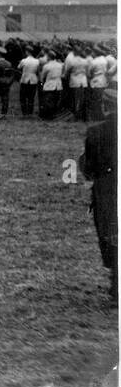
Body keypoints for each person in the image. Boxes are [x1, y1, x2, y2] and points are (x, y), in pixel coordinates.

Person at [80, 89, 118, 302]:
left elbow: (89, 165)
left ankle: (115, 281)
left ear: (105, 106)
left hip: (106, 187)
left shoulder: (95, 132)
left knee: (109, 230)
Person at [39, 51, 64, 120]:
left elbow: (42, 78)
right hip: (58, 85)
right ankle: (54, 115)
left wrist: (41, 85)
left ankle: (48, 116)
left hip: (49, 85)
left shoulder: (46, 66)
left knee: (48, 102)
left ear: (49, 57)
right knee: (55, 101)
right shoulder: (60, 65)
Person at [17, 49, 40, 118]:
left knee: (23, 98)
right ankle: (30, 112)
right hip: (33, 80)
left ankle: (24, 113)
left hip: (24, 80)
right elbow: (38, 71)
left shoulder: (24, 60)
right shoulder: (37, 61)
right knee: (31, 98)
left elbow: (18, 67)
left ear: (27, 52)